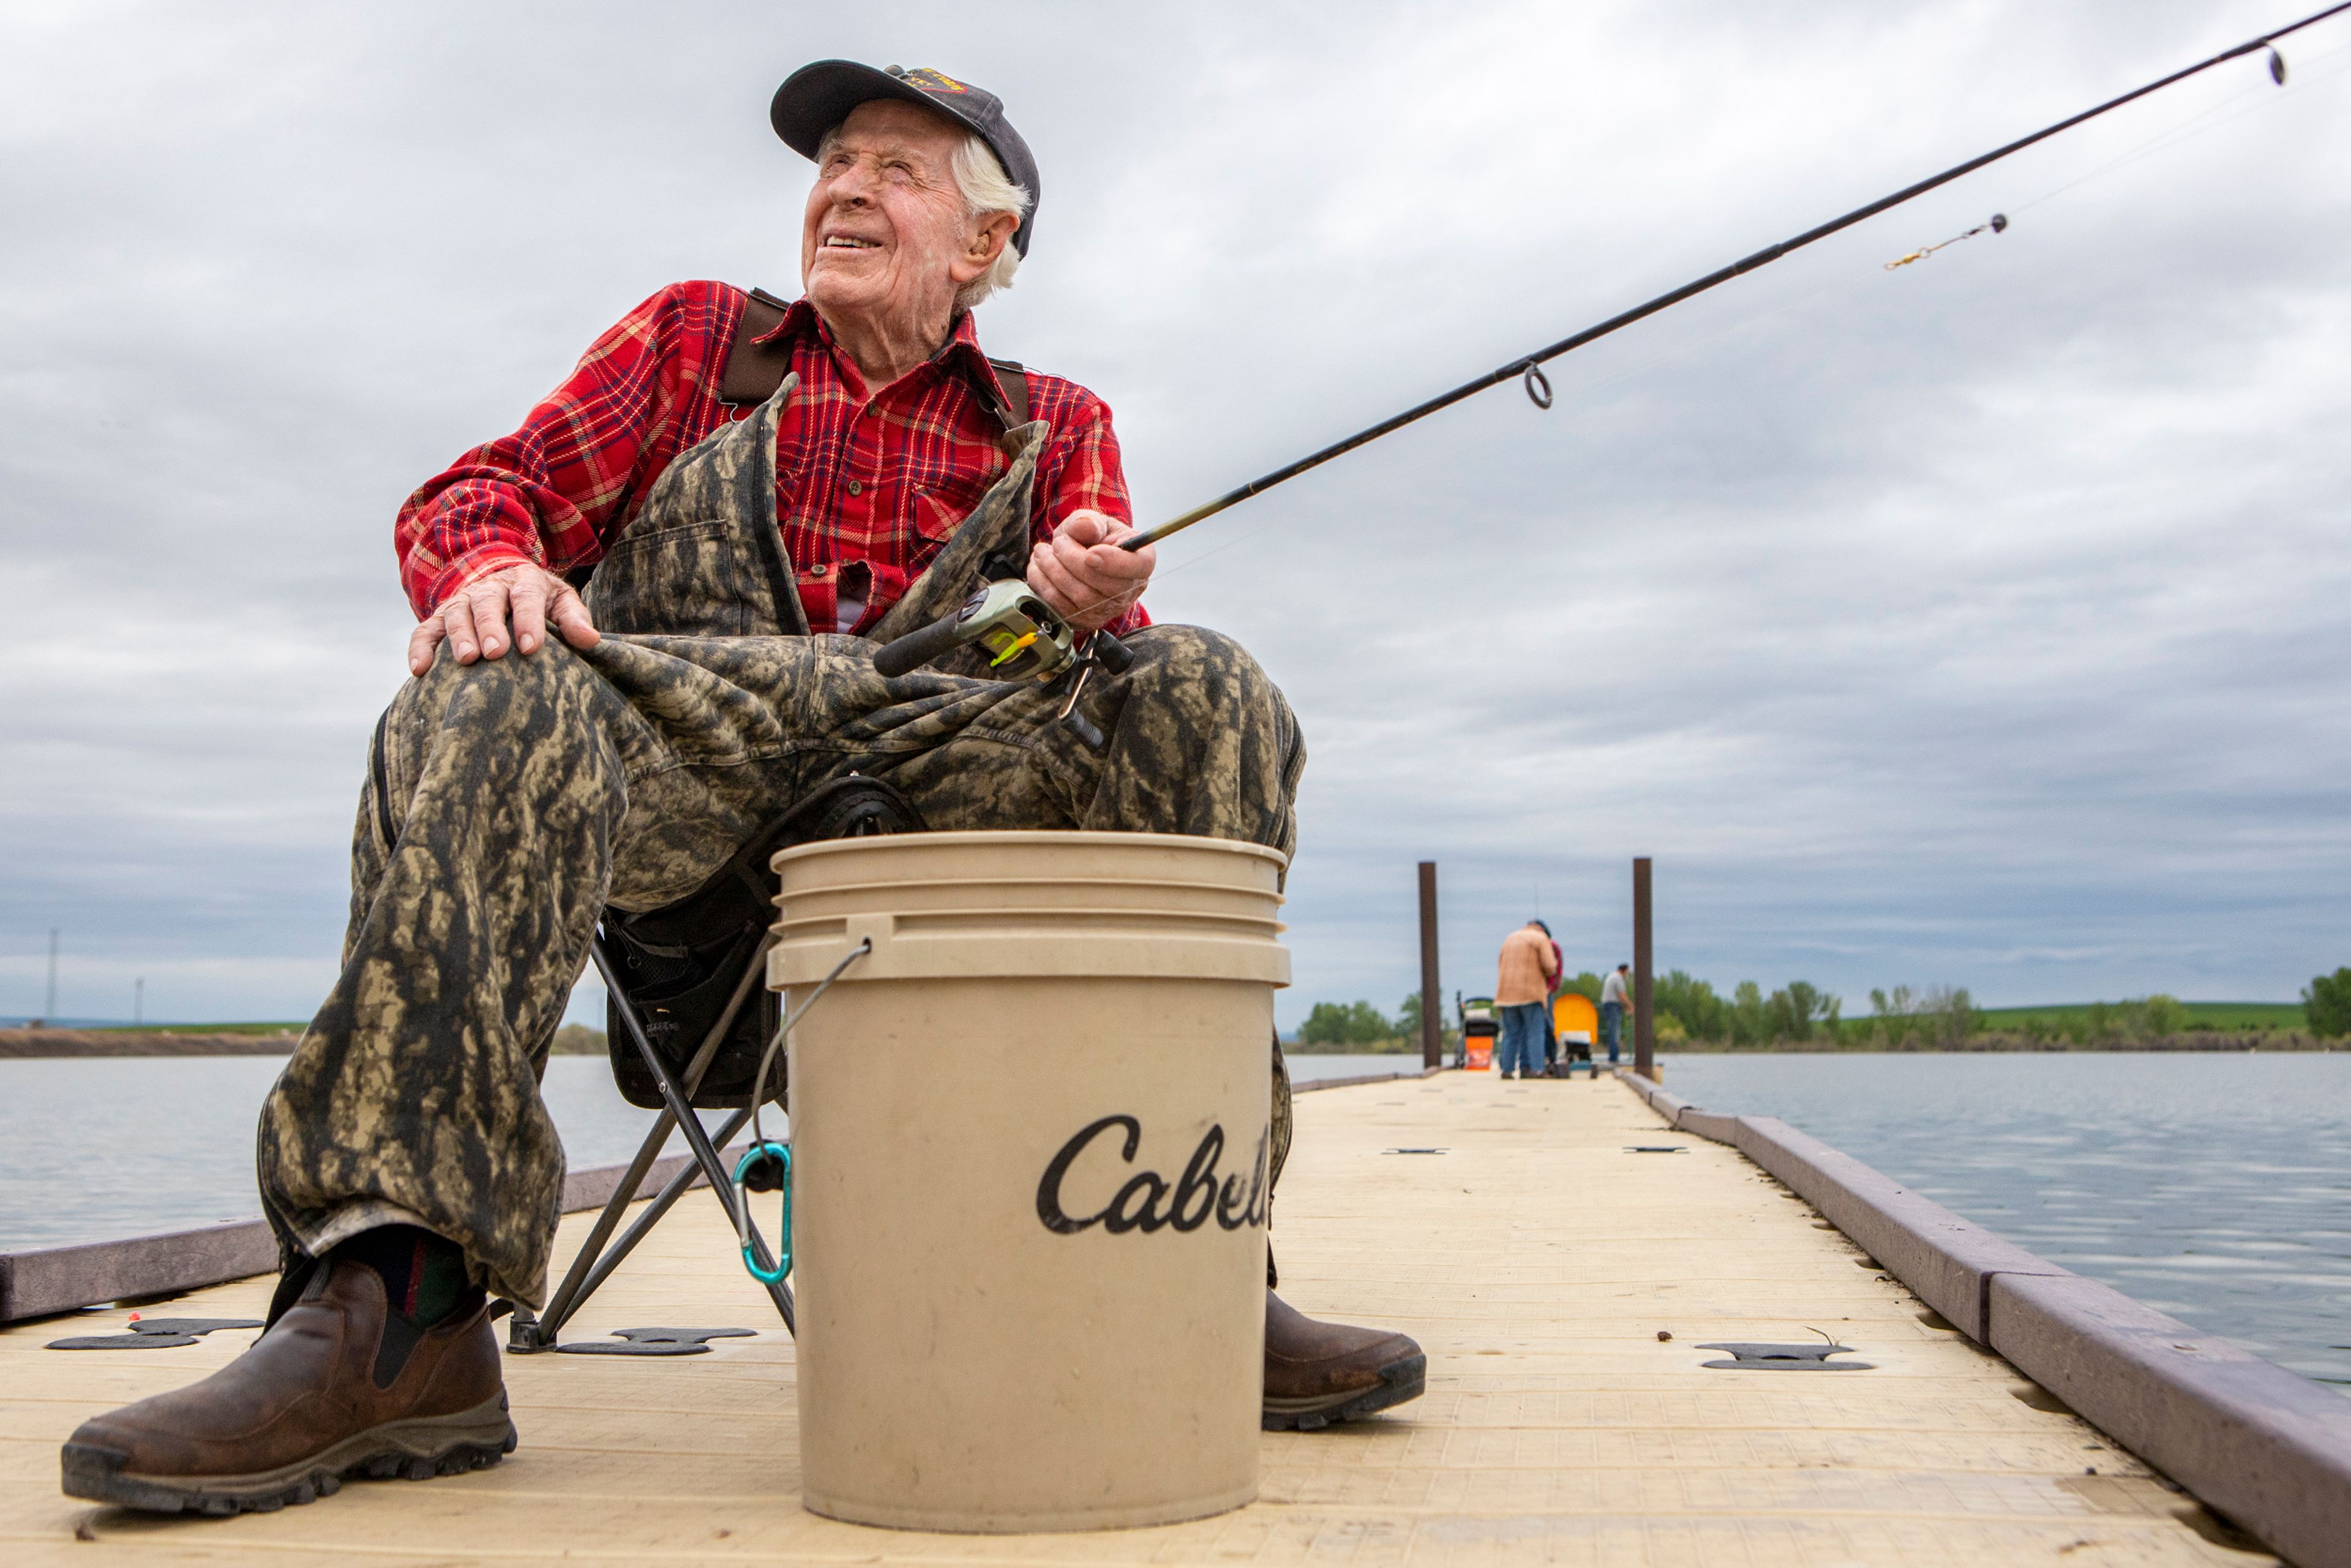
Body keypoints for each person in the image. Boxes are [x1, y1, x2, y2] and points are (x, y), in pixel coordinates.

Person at [61, 60, 1423, 1516]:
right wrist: (500, 566)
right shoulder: (696, 341)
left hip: (940, 832)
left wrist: (1092, 609)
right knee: (486, 679)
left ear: (983, 247)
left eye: (896, 169)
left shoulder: (1056, 422)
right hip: (688, 822)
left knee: (1202, 684)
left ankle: (1196, 1270)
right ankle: (399, 1299)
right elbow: (475, 492)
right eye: (835, 160)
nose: (843, 186)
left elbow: (1106, 698)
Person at [1493, 920, 1559, 1081]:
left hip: (1507, 994)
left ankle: (1507, 1070)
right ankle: (1537, 1070)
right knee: (1535, 1032)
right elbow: (1550, 967)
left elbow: (1500, 962)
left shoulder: (1510, 938)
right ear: (1543, 929)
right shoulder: (1540, 938)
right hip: (1530, 993)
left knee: (1511, 1034)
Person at [1600, 962, 1632, 1065]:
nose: (1628, 974)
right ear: (1623, 970)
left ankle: (1613, 1056)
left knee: (1612, 1031)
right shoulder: (1618, 978)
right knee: (1615, 1032)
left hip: (1608, 1005)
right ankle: (1614, 1059)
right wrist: (1631, 1006)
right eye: (1628, 972)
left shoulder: (1612, 976)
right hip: (1613, 1006)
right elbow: (1622, 995)